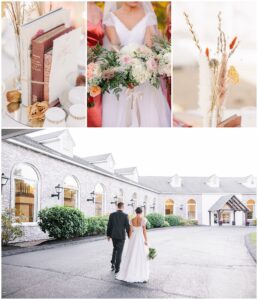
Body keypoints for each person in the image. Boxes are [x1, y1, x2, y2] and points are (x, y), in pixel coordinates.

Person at [102, 1, 171, 127]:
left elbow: (148, 47)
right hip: (120, 76)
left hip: (144, 75)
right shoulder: (110, 18)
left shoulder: (148, 16)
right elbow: (115, 45)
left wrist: (140, 69)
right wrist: (126, 70)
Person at [116, 207, 149, 283]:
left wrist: (130, 239)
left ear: (135, 212)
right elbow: (144, 230)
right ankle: (140, 272)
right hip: (140, 237)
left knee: (131, 254)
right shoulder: (143, 220)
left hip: (133, 237)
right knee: (140, 254)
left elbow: (130, 231)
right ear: (141, 212)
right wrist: (146, 240)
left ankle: (129, 272)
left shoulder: (132, 220)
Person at [87, 2, 104, 127]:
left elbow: (105, 41)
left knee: (97, 107)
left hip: (98, 65)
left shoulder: (100, 11)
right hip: (82, 63)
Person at [107, 202, 130, 273]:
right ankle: (117, 268)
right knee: (119, 252)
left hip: (113, 235)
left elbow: (109, 225)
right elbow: (127, 227)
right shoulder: (125, 215)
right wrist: (130, 236)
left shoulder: (112, 215)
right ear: (123, 207)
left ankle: (112, 264)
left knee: (115, 249)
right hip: (121, 236)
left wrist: (108, 235)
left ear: (117, 206)